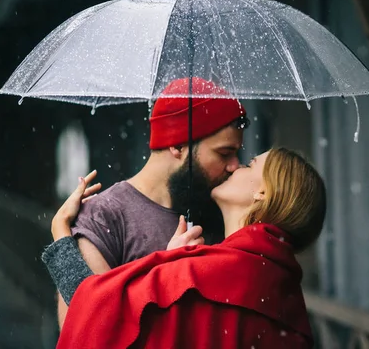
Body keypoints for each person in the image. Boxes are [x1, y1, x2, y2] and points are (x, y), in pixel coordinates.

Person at [42, 147, 327, 348]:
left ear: (262, 193)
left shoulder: (201, 274)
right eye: (226, 154)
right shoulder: (285, 293)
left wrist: (60, 233)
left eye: (250, 164)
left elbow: (96, 320)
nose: (236, 166)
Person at [55, 77, 249, 326]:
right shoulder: (102, 216)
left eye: (237, 153)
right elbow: (86, 328)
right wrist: (167, 274)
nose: (235, 165)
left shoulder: (221, 210)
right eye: (224, 153)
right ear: (178, 144)